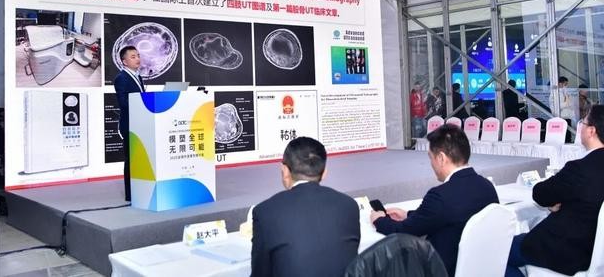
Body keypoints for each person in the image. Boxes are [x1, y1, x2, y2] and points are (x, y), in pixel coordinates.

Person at [370, 124, 498, 276]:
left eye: (430, 157)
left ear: (441, 158)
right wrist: (408, 215)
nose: (431, 164)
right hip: (480, 268)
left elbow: (402, 232)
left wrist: (379, 220)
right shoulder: (487, 186)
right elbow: (447, 216)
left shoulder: (440, 196)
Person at [505, 104, 604, 277]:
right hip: (593, 250)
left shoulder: (580, 169)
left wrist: (556, 201)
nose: (580, 127)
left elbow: (540, 193)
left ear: (591, 131)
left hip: (566, 251)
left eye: (583, 123)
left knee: (496, 251)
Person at [251, 137, 360, 277]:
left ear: (285, 171)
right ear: (324, 172)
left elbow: (260, 272)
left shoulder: (266, 212)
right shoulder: (348, 205)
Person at [113, 46, 145, 202]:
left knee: (140, 159)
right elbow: (123, 103)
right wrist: (142, 104)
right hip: (130, 125)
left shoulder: (138, 77)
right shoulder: (121, 78)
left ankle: (141, 189)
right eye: (133, 56)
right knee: (131, 159)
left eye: (138, 55)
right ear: (124, 61)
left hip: (140, 123)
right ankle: (130, 194)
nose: (137, 59)